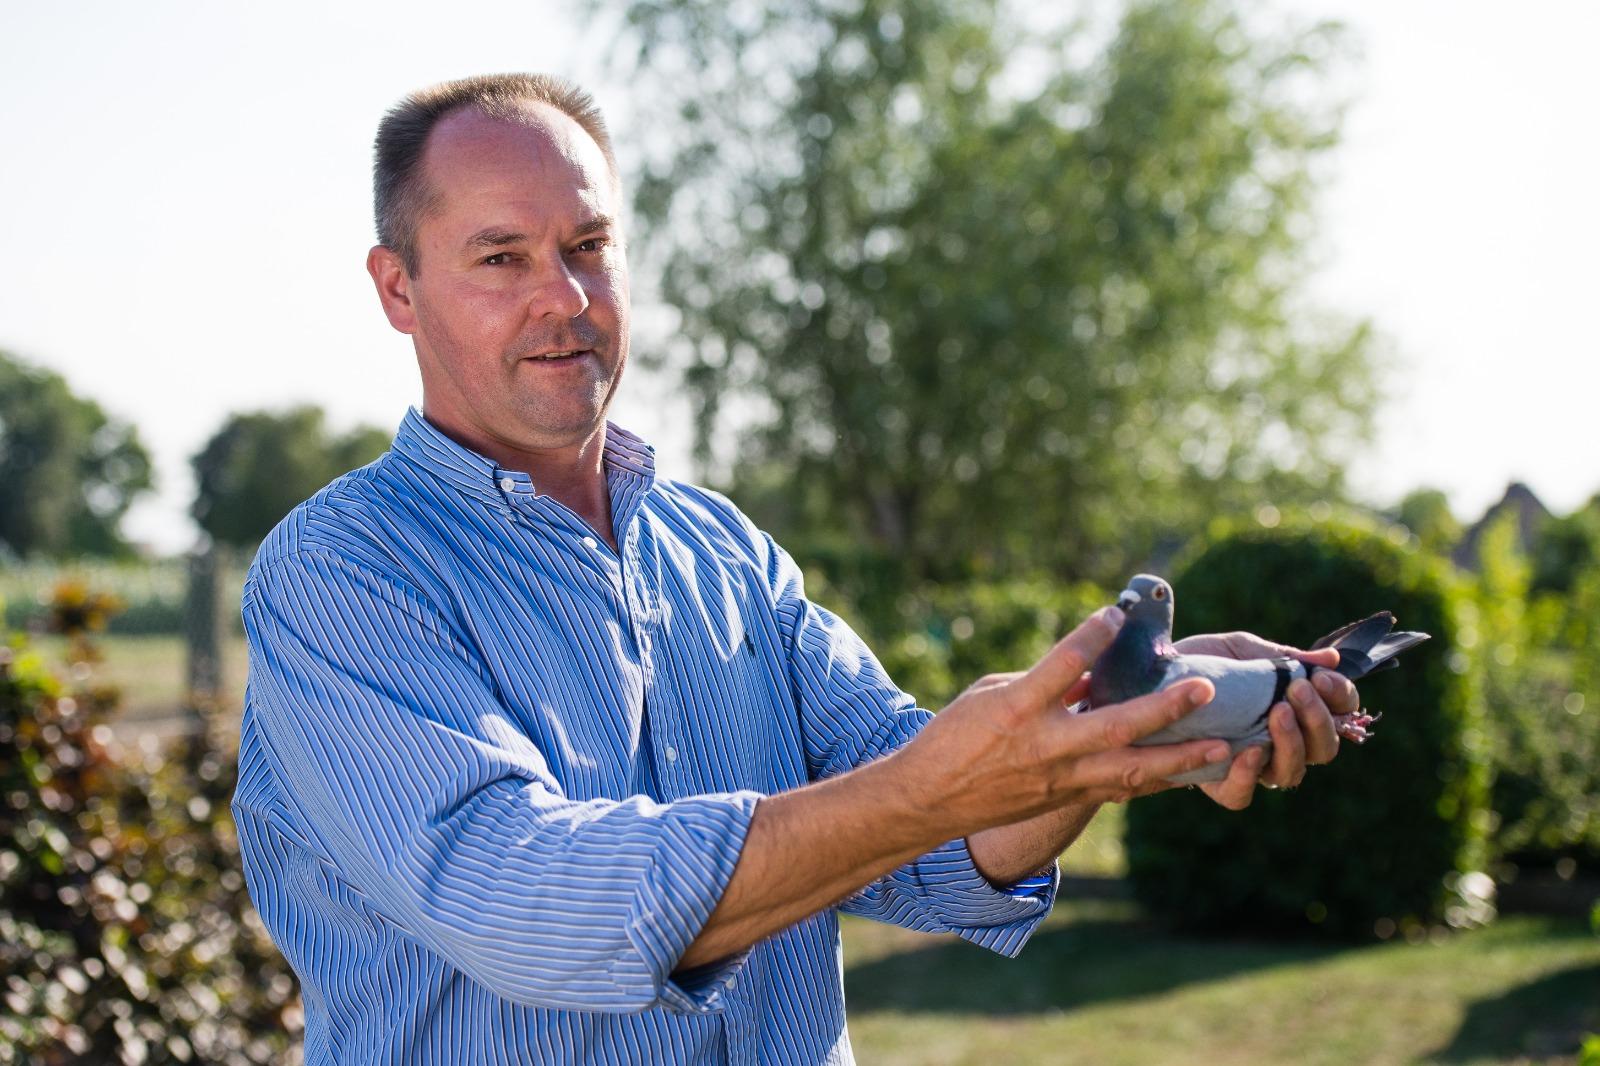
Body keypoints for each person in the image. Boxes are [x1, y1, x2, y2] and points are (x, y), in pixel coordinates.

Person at [232, 73, 1360, 1065]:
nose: (564, 298)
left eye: (589, 247)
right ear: (397, 289)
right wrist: (932, 786)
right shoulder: (341, 575)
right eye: (500, 257)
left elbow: (931, 840)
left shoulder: (722, 552)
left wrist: (1110, 723)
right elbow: (530, 907)